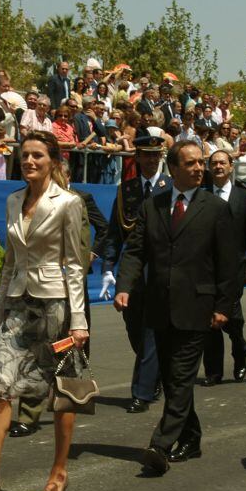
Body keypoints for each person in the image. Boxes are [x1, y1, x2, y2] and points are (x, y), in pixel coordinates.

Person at [0, 131, 90, 491]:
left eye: (37, 155)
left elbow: (73, 265)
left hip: (57, 305)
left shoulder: (68, 203)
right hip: (18, 303)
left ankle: (58, 474)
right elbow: (12, 262)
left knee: (63, 391)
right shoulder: (14, 200)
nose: (29, 161)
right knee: (0, 387)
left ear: (53, 161)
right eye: (25, 155)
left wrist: (79, 321)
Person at [116, 140, 239, 475]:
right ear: (172, 169)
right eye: (191, 164)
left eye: (201, 162)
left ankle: (160, 444)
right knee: (171, 378)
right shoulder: (152, 206)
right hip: (158, 306)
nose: (200, 168)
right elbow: (135, 250)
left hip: (198, 307)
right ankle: (192, 436)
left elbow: (229, 263)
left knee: (182, 376)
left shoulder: (214, 208)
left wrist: (223, 305)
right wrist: (124, 286)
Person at [11, 170, 108, 437]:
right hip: (41, 287)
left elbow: (97, 232)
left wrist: (90, 255)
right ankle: (28, 416)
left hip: (71, 286)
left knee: (68, 346)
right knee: (35, 348)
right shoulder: (27, 201)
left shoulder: (79, 199)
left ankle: (69, 401)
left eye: (60, 173)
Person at [100, 134, 170, 413]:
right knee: (134, 329)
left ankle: (141, 391)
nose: (151, 160)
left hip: (162, 271)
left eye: (156, 155)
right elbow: (115, 233)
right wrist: (107, 266)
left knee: (152, 330)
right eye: (146, 155)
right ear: (137, 157)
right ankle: (155, 373)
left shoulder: (171, 187)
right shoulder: (125, 190)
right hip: (132, 272)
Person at [201, 149, 246, 385]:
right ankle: (214, 371)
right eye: (214, 163)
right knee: (209, 321)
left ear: (231, 166)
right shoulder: (201, 195)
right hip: (207, 270)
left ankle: (240, 351)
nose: (218, 167)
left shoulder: (245, 198)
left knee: (232, 318)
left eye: (222, 163)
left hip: (235, 269)